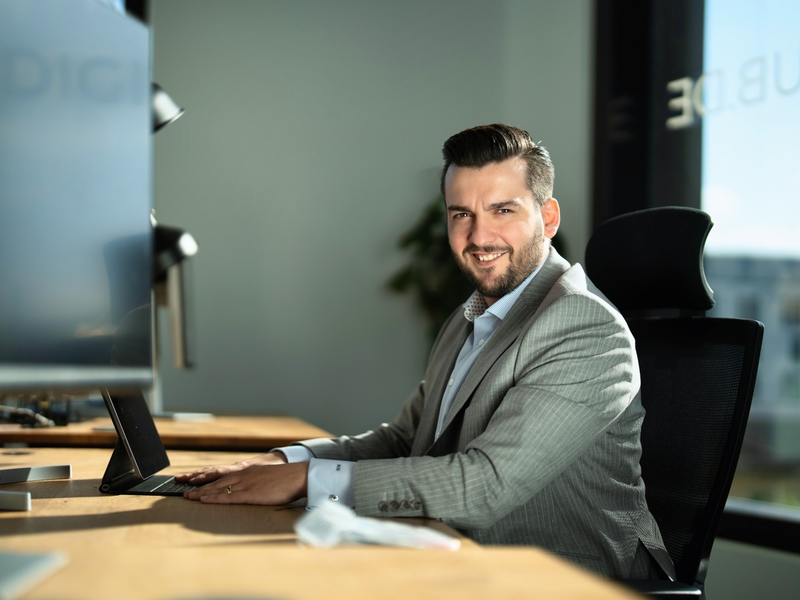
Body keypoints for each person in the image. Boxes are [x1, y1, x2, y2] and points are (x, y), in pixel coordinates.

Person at [176, 123, 674, 581]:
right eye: (462, 215)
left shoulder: (583, 325)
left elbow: (487, 486)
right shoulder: (472, 315)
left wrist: (307, 480)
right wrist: (283, 462)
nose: (479, 237)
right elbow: (404, 439)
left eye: (503, 210)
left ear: (547, 216)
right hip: (458, 555)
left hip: (562, 577)